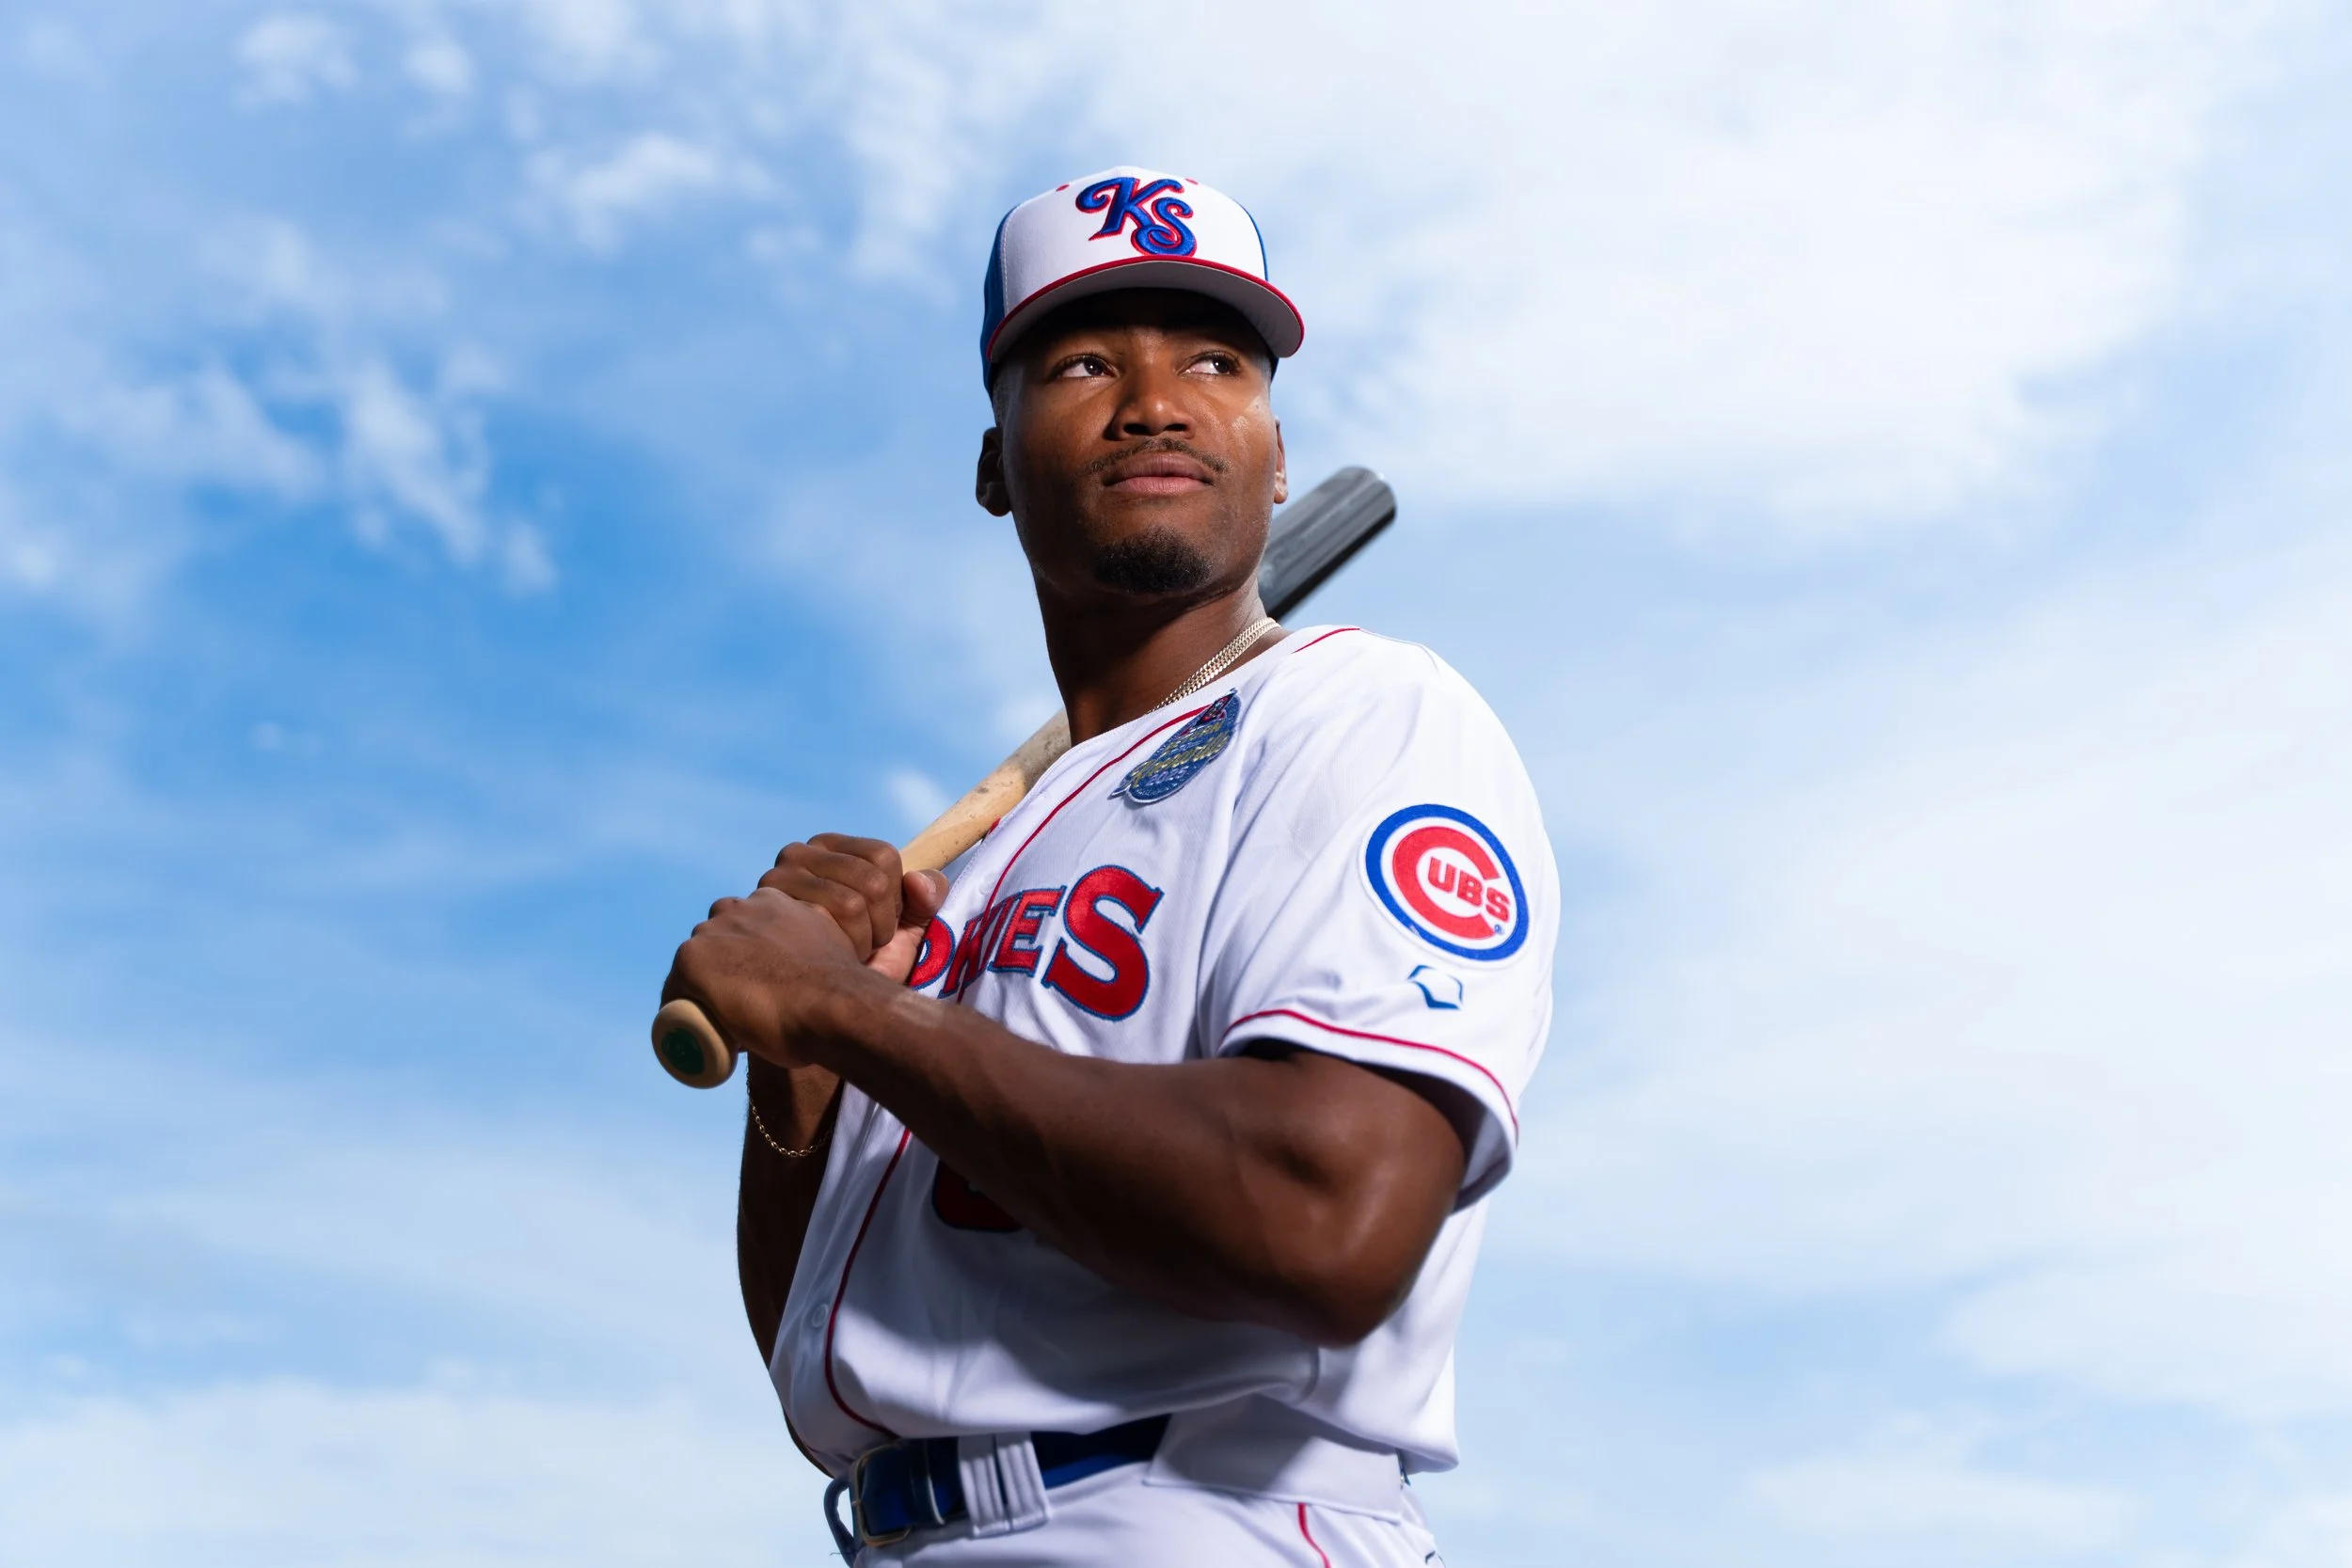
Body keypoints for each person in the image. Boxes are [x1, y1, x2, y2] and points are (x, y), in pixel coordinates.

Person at [666, 166, 1556, 1566]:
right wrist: (802, 1067)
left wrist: (858, 1015)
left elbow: (1330, 1221)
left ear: (1274, 451)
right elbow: (831, 1365)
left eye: (1215, 359)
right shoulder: (983, 868)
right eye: (1085, 360)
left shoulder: (1357, 713)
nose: (1157, 400)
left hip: (1200, 1514)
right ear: (988, 463)